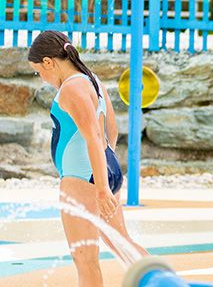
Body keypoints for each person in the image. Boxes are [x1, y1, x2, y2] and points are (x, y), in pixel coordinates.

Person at [27, 30, 148, 287]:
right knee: (122, 243)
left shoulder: (71, 87)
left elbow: (93, 135)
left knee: (85, 258)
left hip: (83, 177)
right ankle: (168, 282)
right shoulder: (92, 79)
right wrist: (105, 173)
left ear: (49, 62)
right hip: (104, 169)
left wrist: (100, 188)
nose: (42, 78)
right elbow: (110, 130)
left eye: (39, 71)